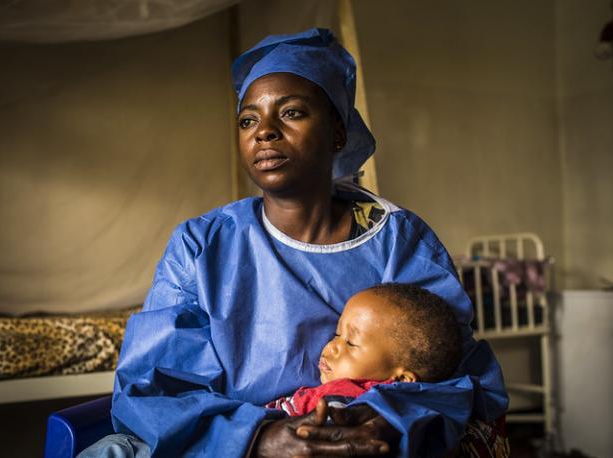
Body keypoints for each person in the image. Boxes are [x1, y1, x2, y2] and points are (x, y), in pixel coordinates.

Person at [79, 28, 508, 458]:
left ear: (337, 132)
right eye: (248, 120)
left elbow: (456, 375)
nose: (264, 132)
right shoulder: (201, 245)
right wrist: (257, 440)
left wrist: (382, 421)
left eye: (291, 113)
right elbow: (151, 388)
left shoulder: (399, 241)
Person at [266, 283, 463, 417]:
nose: (333, 347)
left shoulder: (346, 403)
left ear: (402, 380)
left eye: (351, 343)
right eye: (337, 334)